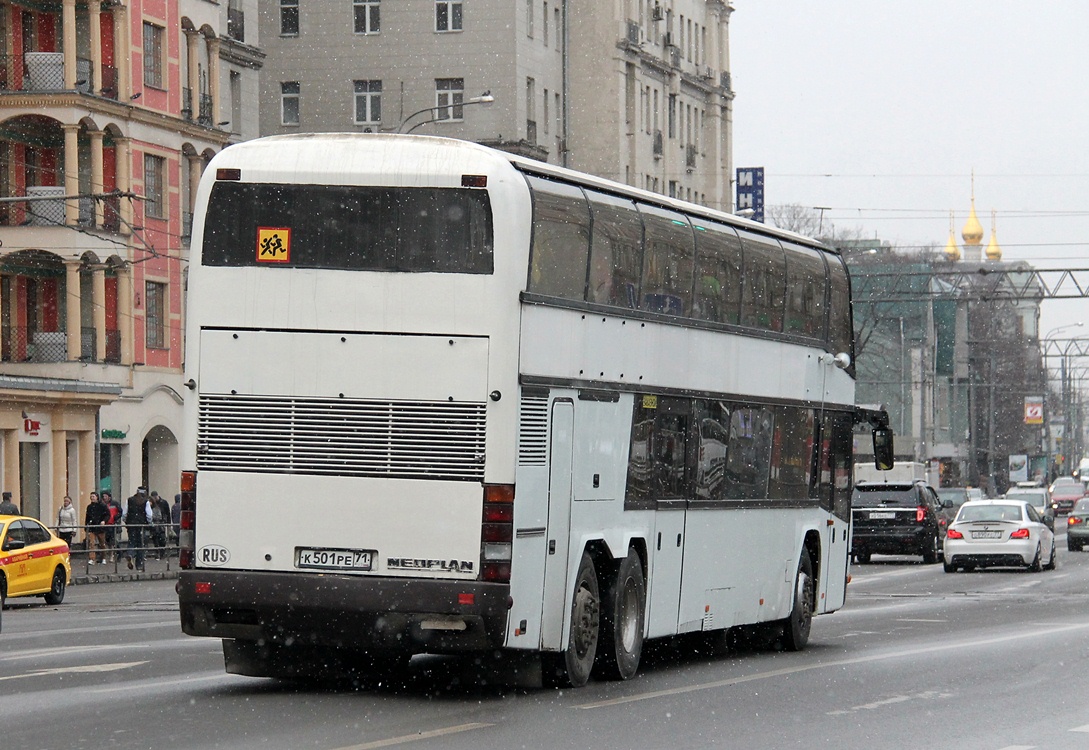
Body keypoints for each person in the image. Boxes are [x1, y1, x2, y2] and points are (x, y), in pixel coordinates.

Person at [125, 486, 150, 572]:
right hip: (141, 525)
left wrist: (127, 521)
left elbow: (125, 513)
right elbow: (149, 515)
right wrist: (149, 523)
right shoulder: (145, 501)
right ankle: (139, 565)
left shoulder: (130, 500)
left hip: (131, 524)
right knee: (140, 544)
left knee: (131, 541)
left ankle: (130, 554)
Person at [84, 491, 109, 564]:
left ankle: (103, 557)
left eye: (93, 496)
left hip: (100, 527)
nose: (92, 498)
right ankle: (92, 558)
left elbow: (107, 514)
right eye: (91, 497)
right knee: (91, 543)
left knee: (102, 543)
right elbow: (87, 517)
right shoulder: (89, 507)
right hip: (92, 527)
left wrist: (104, 521)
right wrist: (86, 525)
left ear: (97, 497)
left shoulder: (102, 506)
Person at [103, 491, 123, 562]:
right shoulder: (103, 504)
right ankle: (114, 554)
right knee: (107, 540)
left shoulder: (115, 503)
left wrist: (115, 517)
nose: (104, 498)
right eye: (103, 496)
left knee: (113, 540)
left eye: (105, 496)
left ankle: (118, 553)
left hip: (113, 524)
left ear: (109, 497)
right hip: (106, 524)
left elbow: (120, 512)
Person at [149, 491, 167, 559]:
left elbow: (164, 514)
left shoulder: (159, 506)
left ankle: (160, 553)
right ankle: (159, 553)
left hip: (158, 525)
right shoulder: (155, 507)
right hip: (157, 525)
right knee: (157, 540)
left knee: (159, 540)